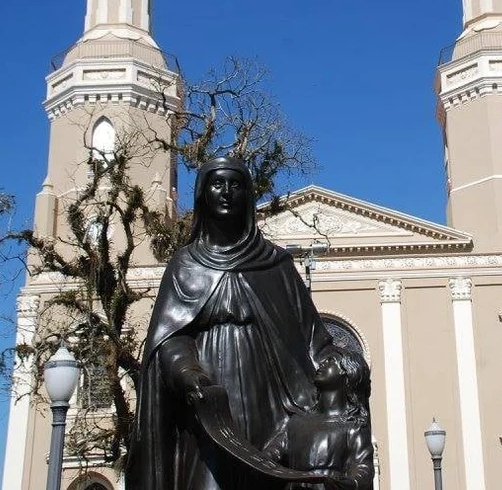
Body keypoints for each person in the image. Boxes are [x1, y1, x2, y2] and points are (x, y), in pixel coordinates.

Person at [126, 157, 337, 489]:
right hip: (210, 404)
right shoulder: (186, 264)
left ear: (248, 195)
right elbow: (170, 338)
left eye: (235, 185)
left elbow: (313, 338)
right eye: (217, 184)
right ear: (203, 194)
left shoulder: (276, 264)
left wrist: (339, 364)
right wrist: (188, 374)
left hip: (272, 401)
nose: (226, 192)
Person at [262, 349, 375, 490]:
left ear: (347, 373)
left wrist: (351, 483)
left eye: (331, 361)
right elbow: (269, 456)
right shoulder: (296, 423)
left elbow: (362, 467)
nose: (321, 363)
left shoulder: (353, 427)